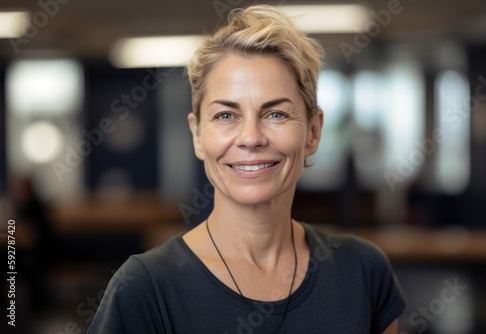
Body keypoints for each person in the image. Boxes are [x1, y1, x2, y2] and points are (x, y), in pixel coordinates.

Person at [88, 5, 405, 333]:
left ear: (313, 132)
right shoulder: (144, 288)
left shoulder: (364, 272)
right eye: (226, 115)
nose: (251, 137)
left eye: (276, 114)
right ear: (197, 135)